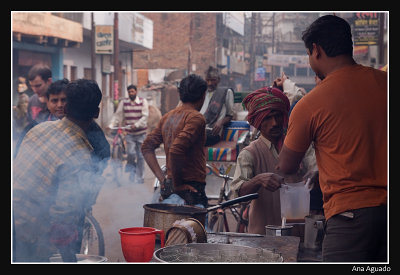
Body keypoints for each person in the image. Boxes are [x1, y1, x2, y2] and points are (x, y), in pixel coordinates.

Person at [276, 15, 387, 262]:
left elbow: (286, 166)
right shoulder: (385, 83)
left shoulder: (311, 104)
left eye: (308, 53)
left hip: (349, 218)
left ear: (316, 50)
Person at [13, 79, 105, 262]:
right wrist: (69, 260)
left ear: (67, 107)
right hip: (32, 235)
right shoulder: (79, 156)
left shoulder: (39, 130)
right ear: (96, 112)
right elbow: (63, 219)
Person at [229, 87, 306, 234]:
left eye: (278, 116)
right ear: (258, 122)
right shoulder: (249, 154)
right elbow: (238, 194)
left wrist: (314, 175)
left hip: (297, 234)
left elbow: (315, 169)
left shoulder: (299, 146)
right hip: (263, 237)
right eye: (267, 118)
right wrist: (257, 180)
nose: (275, 123)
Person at [141, 74, 208, 208]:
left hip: (170, 184)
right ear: (203, 96)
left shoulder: (168, 116)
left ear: (180, 94)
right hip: (190, 188)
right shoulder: (196, 118)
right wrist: (178, 186)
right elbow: (176, 150)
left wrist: (163, 180)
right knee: (195, 228)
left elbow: (147, 147)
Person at [108, 85, 149, 184]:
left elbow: (145, 117)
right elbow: (118, 115)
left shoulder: (143, 102)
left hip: (141, 133)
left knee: (140, 156)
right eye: (129, 92)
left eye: (132, 92)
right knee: (130, 153)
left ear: (136, 92)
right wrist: (111, 125)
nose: (131, 93)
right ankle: (132, 169)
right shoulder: (124, 102)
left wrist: (137, 125)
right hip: (130, 133)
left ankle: (140, 177)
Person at [200, 66, 234, 146]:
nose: (210, 83)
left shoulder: (226, 92)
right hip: (199, 129)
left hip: (212, 132)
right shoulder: (201, 92)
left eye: (213, 80)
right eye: (207, 80)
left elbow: (230, 115)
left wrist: (220, 122)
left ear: (218, 80)